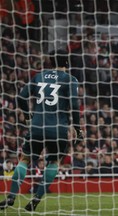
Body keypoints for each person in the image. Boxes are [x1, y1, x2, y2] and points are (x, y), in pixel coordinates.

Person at [0, 49, 84, 211]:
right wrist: (77, 128)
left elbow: (21, 97)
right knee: (53, 162)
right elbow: (74, 104)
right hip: (58, 129)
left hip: (37, 126)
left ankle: (11, 197)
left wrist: (27, 117)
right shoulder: (70, 79)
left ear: (51, 62)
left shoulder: (39, 76)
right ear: (66, 62)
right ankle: (36, 200)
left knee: (25, 160)